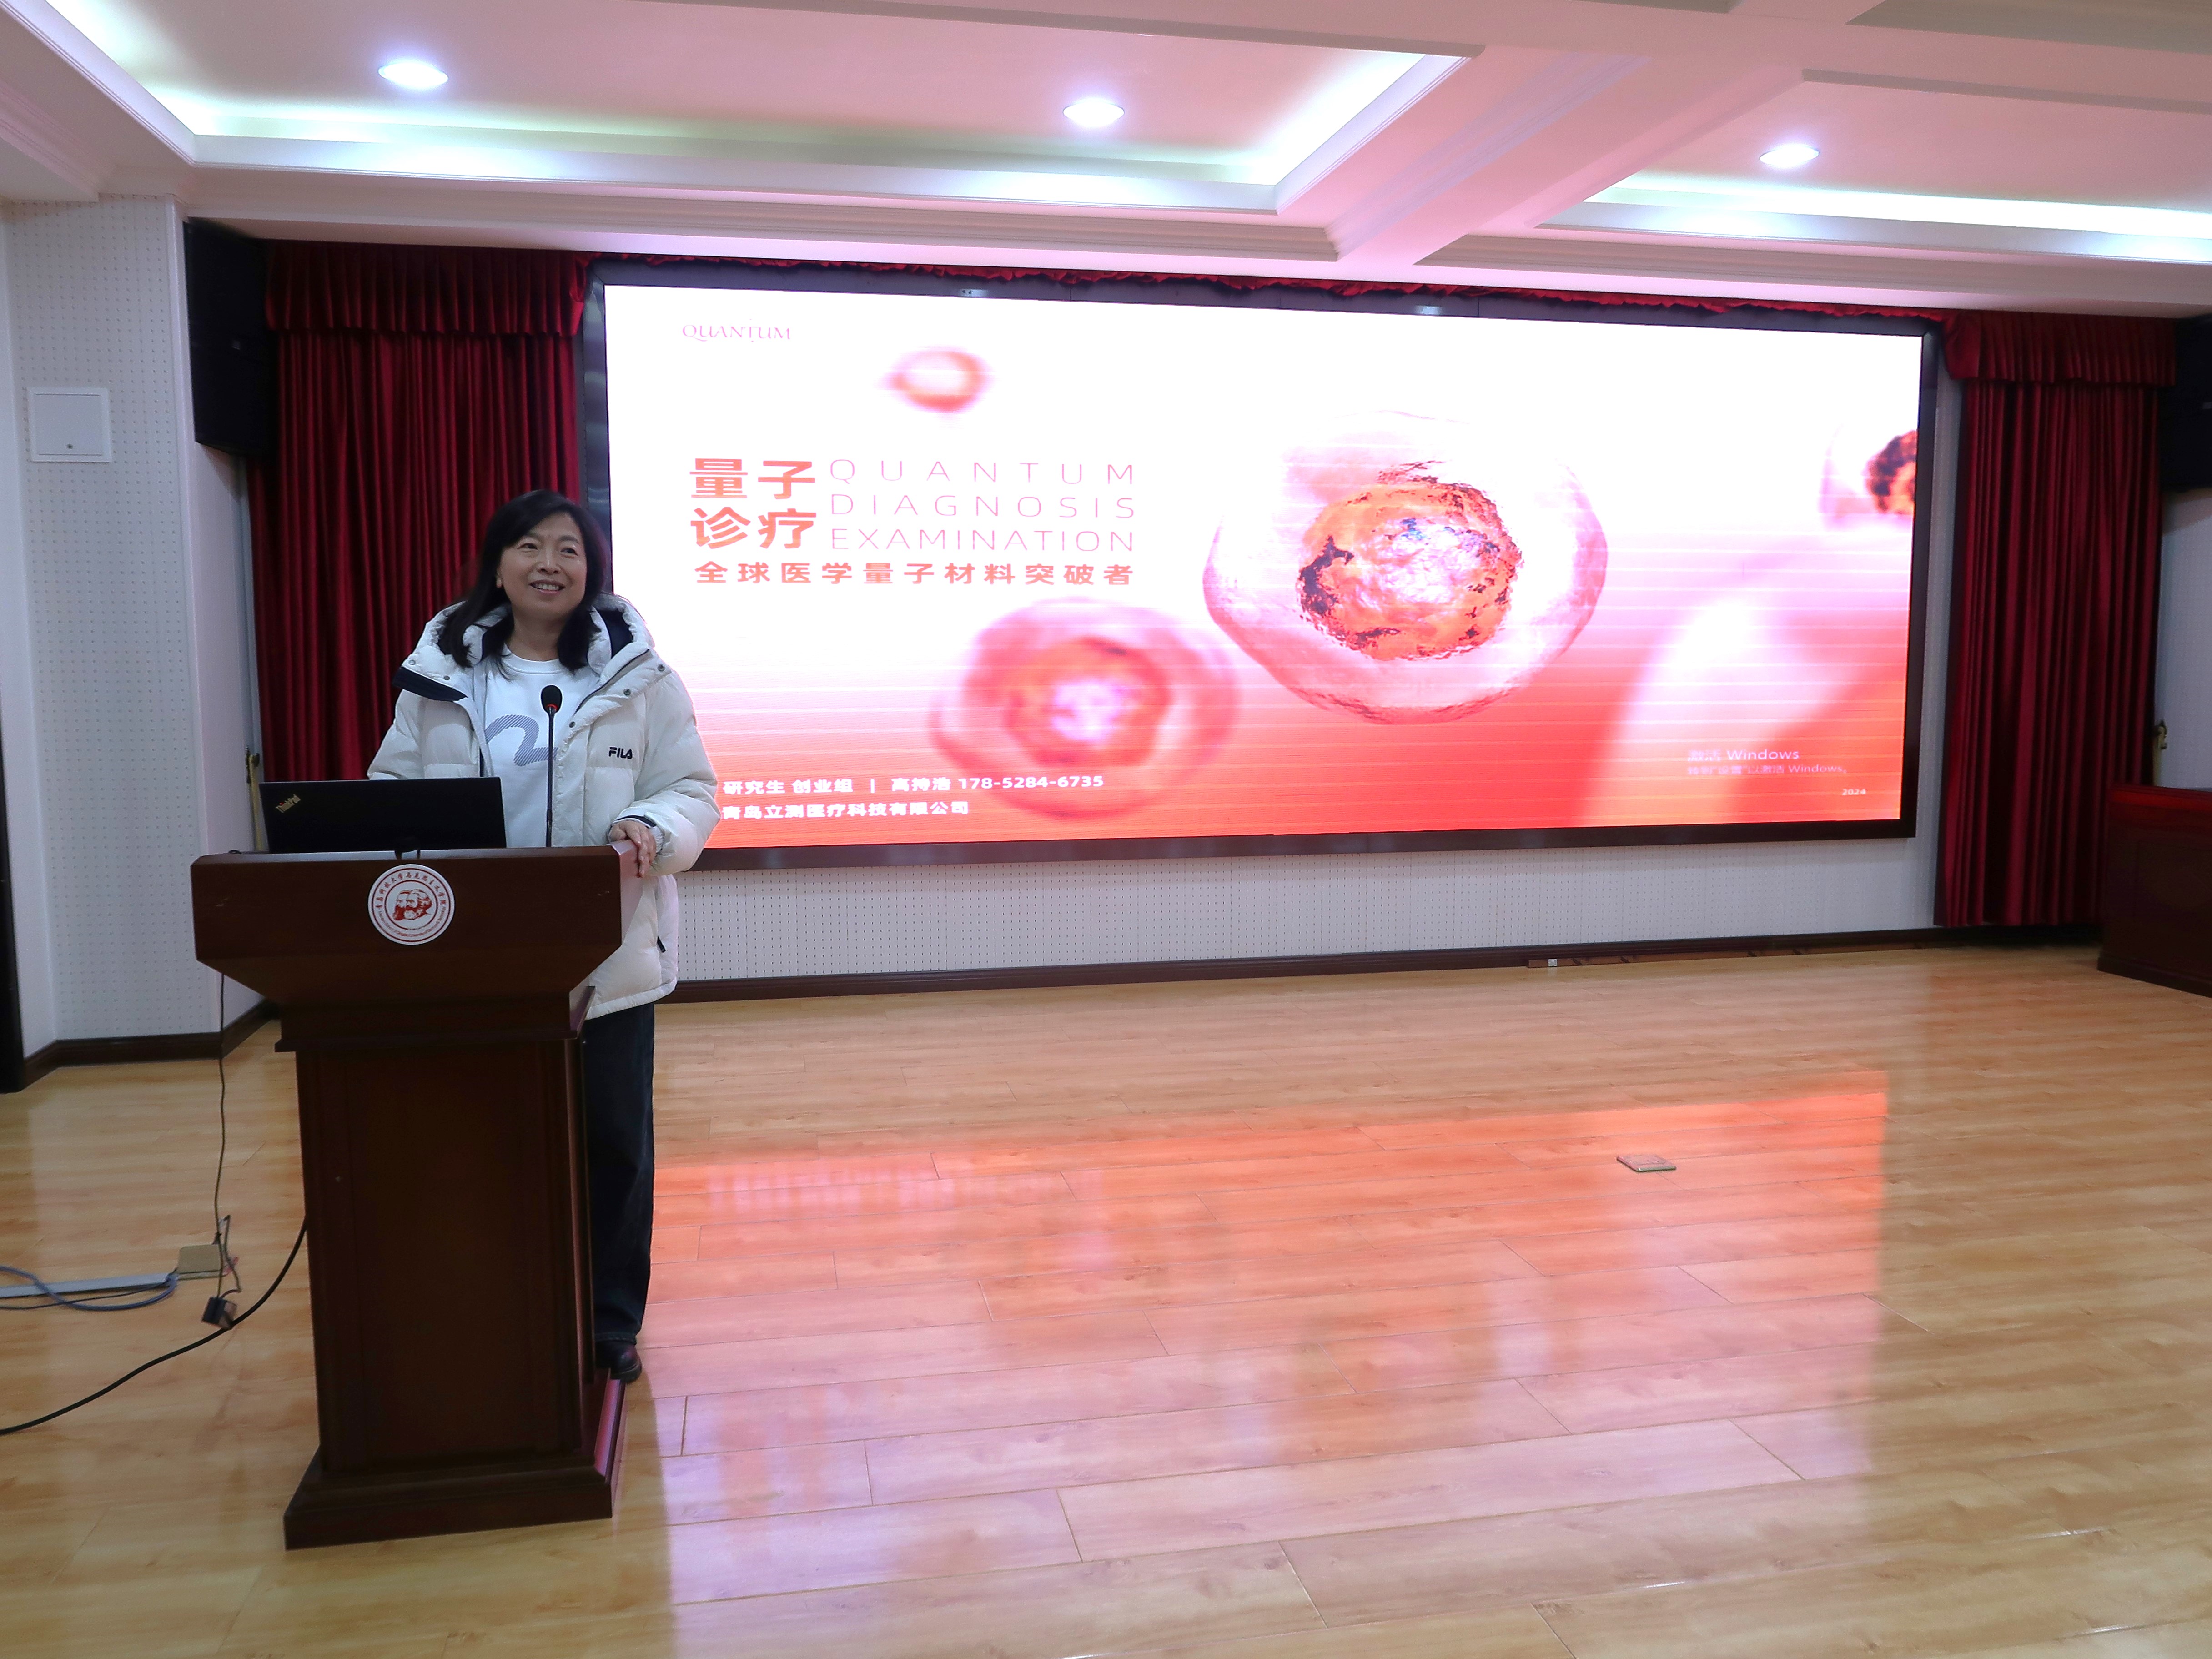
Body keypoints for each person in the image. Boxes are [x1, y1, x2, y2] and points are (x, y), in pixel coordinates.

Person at [369, 489, 717, 1385]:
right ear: (497, 566)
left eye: (569, 548)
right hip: (471, 955)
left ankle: (608, 1322)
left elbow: (691, 791)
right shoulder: (442, 677)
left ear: (591, 570)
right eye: (529, 546)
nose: (549, 564)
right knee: (485, 1147)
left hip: (608, 955)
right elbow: (388, 793)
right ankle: (496, 1305)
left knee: (613, 1149)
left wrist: (651, 826)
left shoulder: (641, 679)